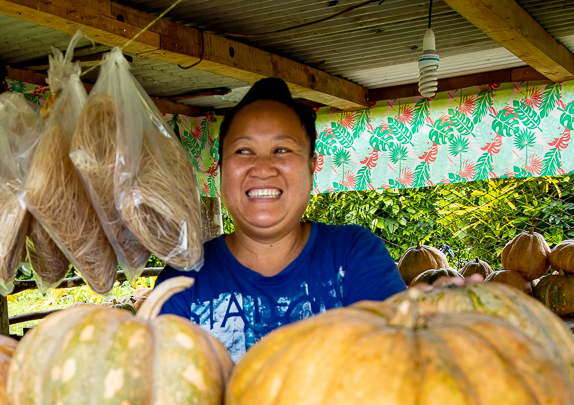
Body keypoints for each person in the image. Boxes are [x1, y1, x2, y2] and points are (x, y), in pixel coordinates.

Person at [154, 77, 407, 361]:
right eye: (243, 151)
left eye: (282, 150)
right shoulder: (183, 280)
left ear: (311, 166)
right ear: (221, 168)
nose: (262, 168)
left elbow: (399, 364)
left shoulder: (353, 255)